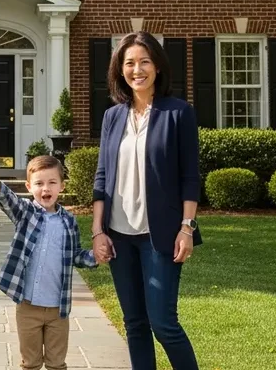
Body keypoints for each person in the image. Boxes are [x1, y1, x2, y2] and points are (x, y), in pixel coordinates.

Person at [91, 31, 202, 370]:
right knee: (134, 324)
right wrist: (98, 230)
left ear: (157, 67)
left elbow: (189, 177)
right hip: (119, 236)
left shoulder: (178, 113)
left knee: (163, 323)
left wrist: (186, 228)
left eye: (144, 62)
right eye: (129, 63)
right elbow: (102, 176)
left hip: (163, 236)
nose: (136, 69)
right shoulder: (113, 116)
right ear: (119, 70)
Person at [0, 155, 97, 370]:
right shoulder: (26, 213)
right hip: (27, 306)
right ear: (29, 187)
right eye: (39, 183)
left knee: (57, 363)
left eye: (52, 183)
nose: (45, 188)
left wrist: (96, 257)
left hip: (58, 308)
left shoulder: (69, 222)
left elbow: (75, 255)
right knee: (30, 363)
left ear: (62, 186)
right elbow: (6, 197)